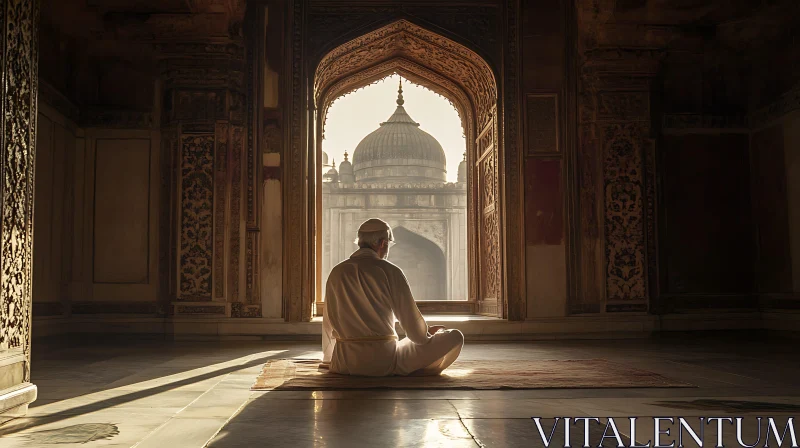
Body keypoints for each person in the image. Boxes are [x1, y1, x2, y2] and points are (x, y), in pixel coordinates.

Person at [321, 218, 464, 377]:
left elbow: (328, 320)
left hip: (344, 363)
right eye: (389, 244)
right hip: (385, 361)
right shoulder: (390, 271)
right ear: (382, 243)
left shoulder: (337, 272)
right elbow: (415, 333)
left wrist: (328, 359)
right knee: (455, 336)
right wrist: (427, 335)